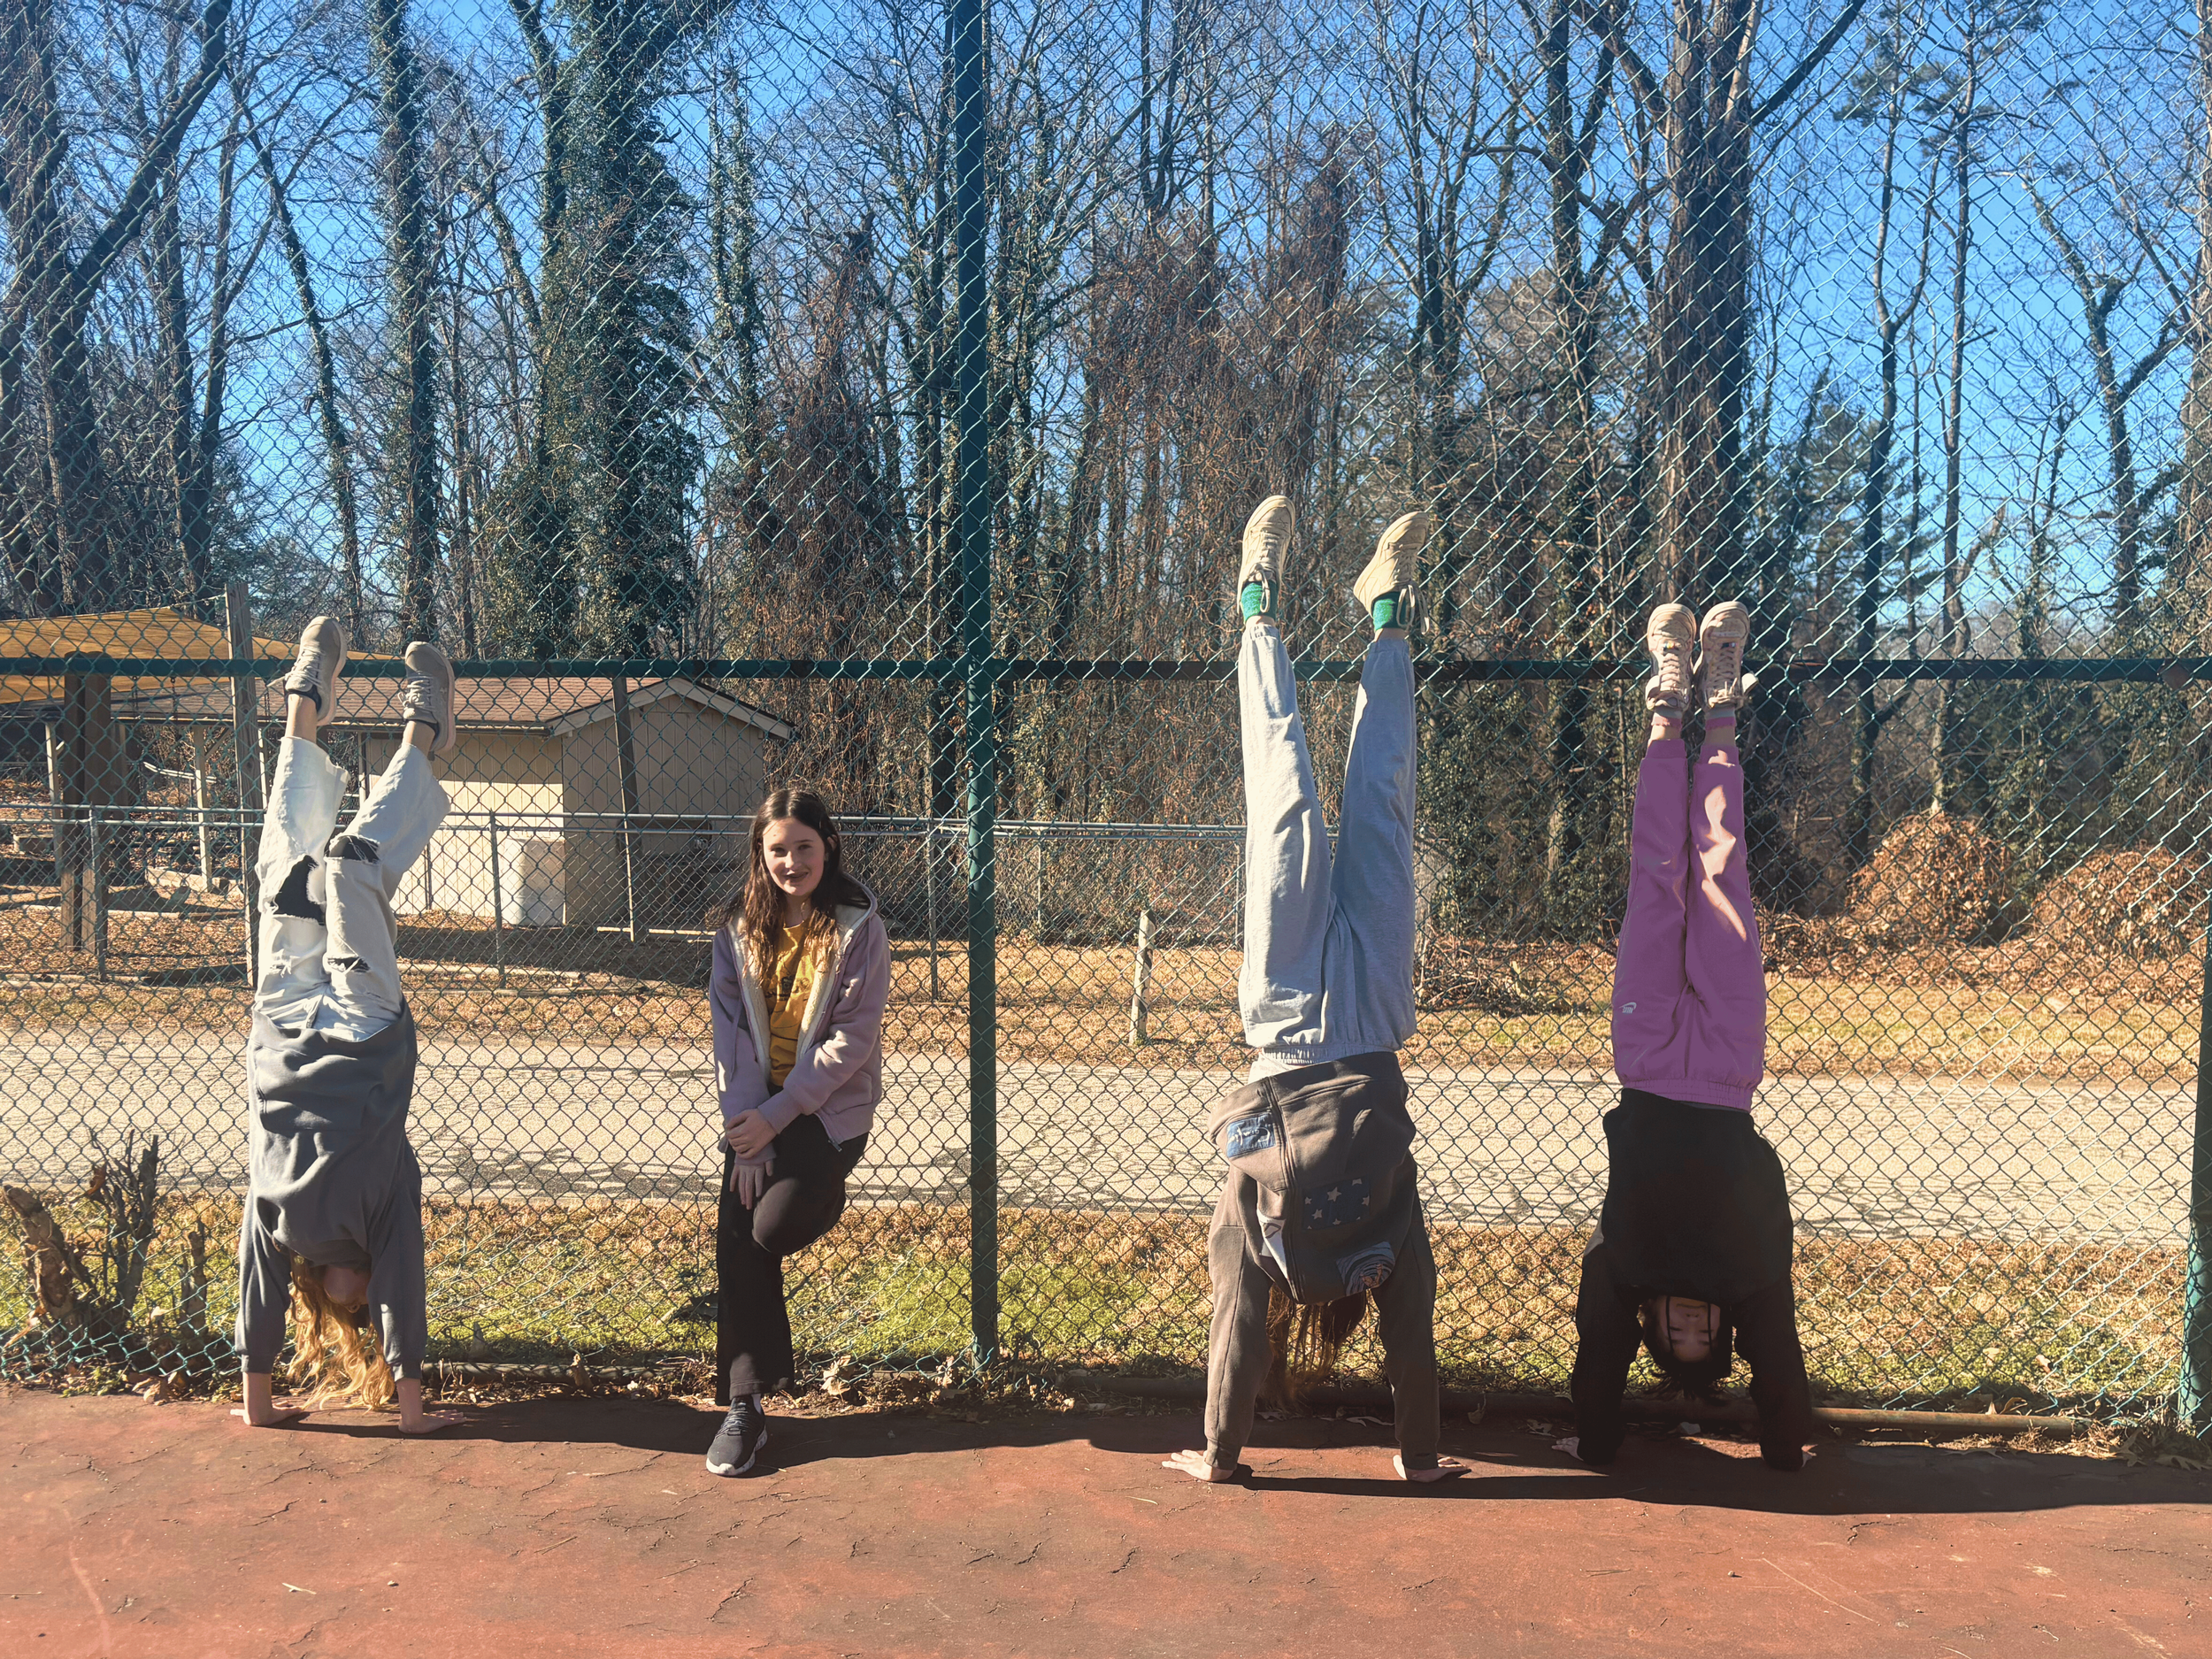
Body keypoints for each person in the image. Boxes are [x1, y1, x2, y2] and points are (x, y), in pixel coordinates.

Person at [1163, 496, 1467, 1486]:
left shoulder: (1256, 1237)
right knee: (1383, 798)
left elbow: (1234, 1325)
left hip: (1288, 1018)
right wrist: (1417, 1462)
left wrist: (1217, 1454)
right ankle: (1385, 607)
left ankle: (1257, 601)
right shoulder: (1383, 1243)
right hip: (1375, 1017)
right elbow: (1410, 1340)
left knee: (1283, 799)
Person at [1555, 600, 1816, 1471]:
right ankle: (1722, 702)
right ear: (1728, 1331)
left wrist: (1598, 1441)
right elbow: (1779, 1377)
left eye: (1680, 1336)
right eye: (1710, 1336)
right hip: (1729, 1068)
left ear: (1654, 1329)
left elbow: (1597, 1363)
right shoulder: (1749, 1286)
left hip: (1647, 1058)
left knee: (1655, 876)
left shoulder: (1622, 1273)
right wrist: (1781, 1450)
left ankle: (1668, 710)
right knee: (1718, 870)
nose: (1694, 1325)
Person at [232, 618, 460, 1434]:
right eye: (367, 1310)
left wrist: (258, 1404)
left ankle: (306, 695)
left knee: (284, 859)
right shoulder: (383, 1215)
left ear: (326, 1302)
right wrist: (410, 1412)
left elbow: (256, 1298)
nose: (361, 1301)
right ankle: (426, 724)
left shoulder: (282, 1224)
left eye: (354, 1311)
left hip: (285, 1021)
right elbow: (404, 1283)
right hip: (364, 1032)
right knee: (351, 867)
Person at [704, 788, 890, 1476]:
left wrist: (777, 1124)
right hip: (758, 1108)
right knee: (739, 1222)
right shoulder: (736, 929)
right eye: (776, 849)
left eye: (803, 846)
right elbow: (732, 1043)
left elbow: (850, 1042)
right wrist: (748, 1135)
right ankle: (746, 1404)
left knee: (775, 1225)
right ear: (761, 853)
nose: (791, 861)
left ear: (828, 845)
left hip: (826, 1112)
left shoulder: (858, 926)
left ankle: (820, 1192)